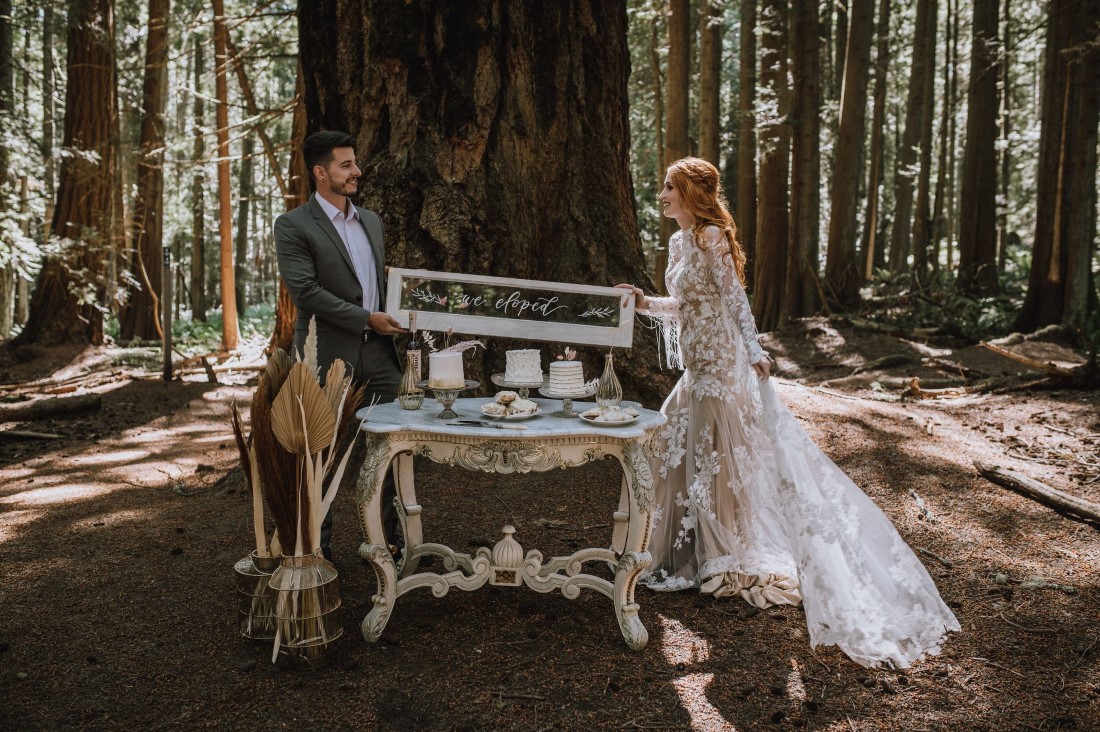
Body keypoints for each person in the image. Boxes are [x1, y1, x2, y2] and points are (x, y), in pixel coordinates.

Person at [618, 157, 959, 668]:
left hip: (722, 366)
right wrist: (646, 304)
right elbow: (684, 304)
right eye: (664, 185)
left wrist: (754, 351)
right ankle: (688, 553)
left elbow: (735, 301)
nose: (662, 193)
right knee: (673, 445)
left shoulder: (712, 239)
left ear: (692, 194)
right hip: (695, 367)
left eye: (671, 187)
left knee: (715, 460)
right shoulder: (676, 242)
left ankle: (722, 556)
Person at [274, 130, 405, 561]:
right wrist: (365, 317)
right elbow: (306, 292)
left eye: (355, 163)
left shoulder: (371, 221)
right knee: (321, 457)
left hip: (381, 356)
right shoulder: (293, 226)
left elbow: (376, 285)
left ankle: (393, 543)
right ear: (320, 171)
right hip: (327, 356)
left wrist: (409, 302)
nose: (356, 171)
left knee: (392, 450)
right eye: (346, 165)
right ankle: (317, 552)